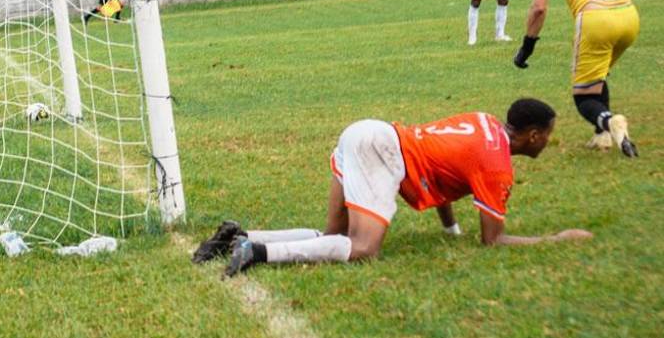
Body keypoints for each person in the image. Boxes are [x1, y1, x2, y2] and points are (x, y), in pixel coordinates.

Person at [191, 98, 593, 275]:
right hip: (382, 149)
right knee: (364, 250)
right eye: (550, 135)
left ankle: (238, 237)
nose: (549, 141)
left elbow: (445, 174)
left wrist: (450, 230)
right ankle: (257, 252)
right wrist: (556, 239)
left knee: (335, 237)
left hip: (367, 132)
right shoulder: (497, 165)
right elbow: (493, 240)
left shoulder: (484, 121)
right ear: (535, 136)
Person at [513, 0, 652, 157]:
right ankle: (601, 138)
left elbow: (539, 6)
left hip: (595, 18)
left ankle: (611, 123)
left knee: (584, 97)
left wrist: (527, 46)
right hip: (628, 14)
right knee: (598, 75)